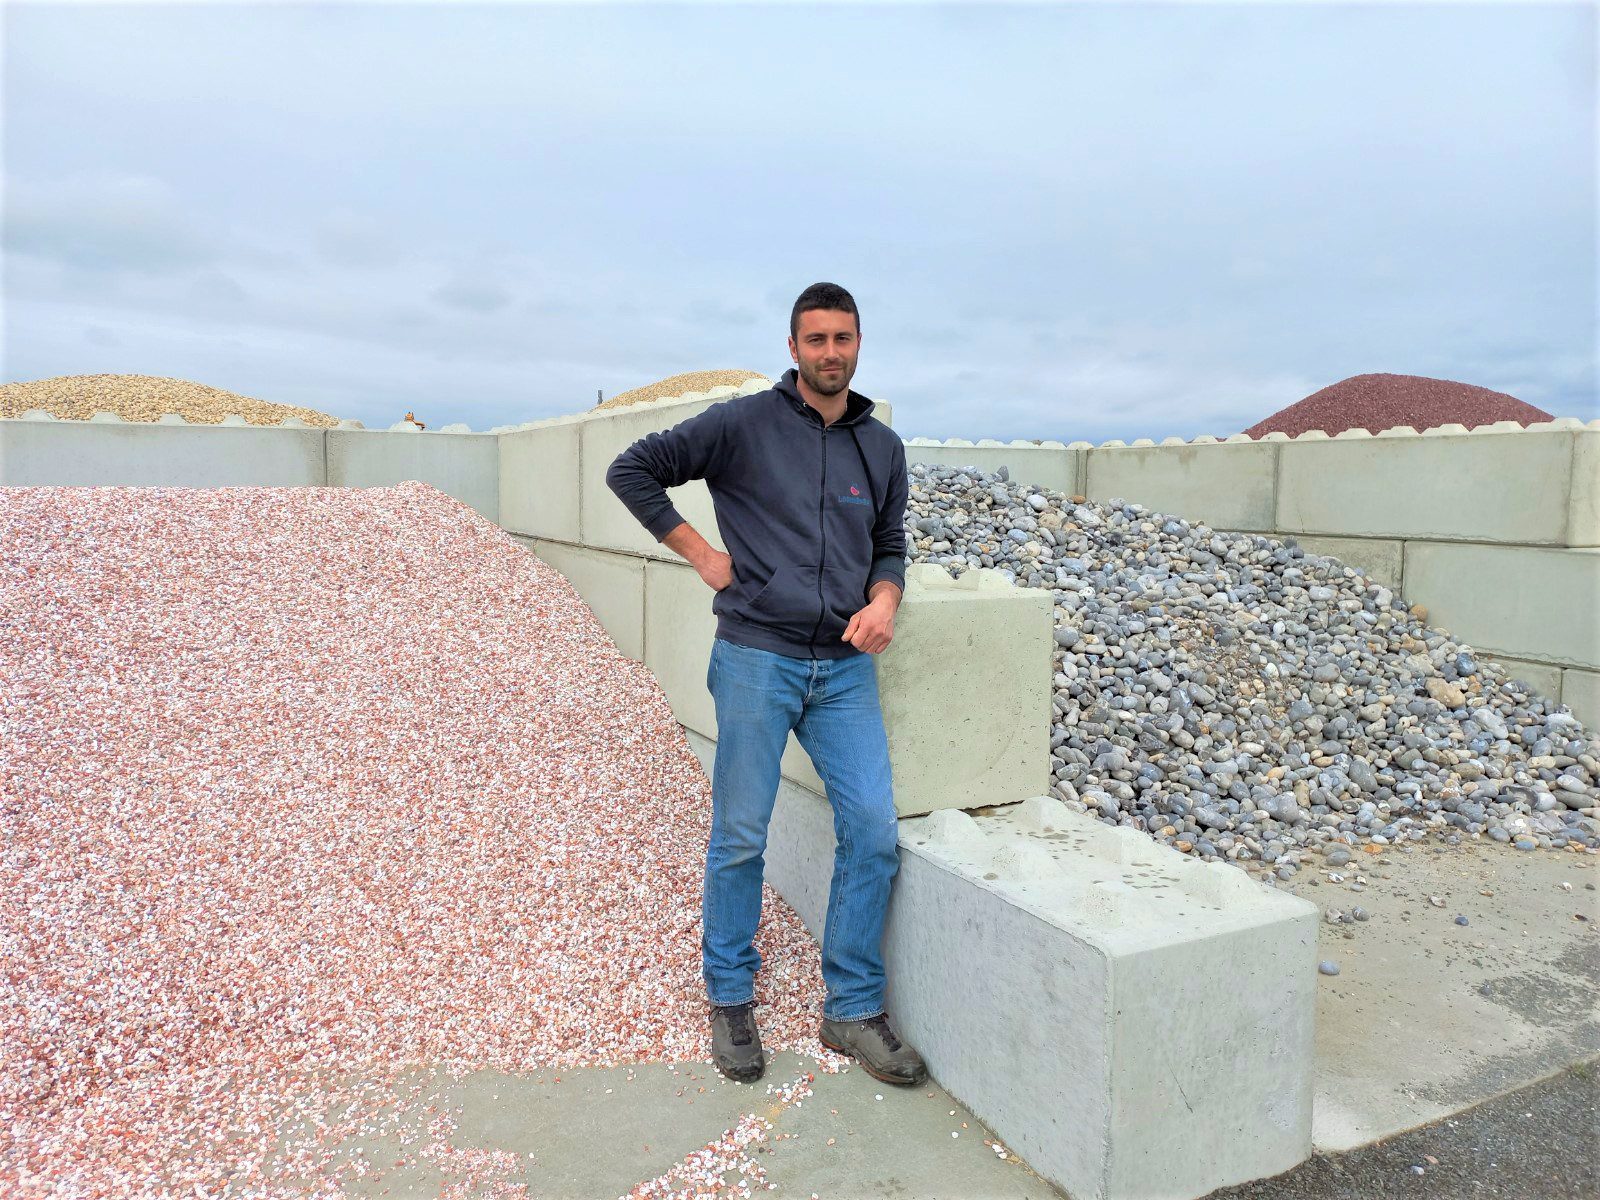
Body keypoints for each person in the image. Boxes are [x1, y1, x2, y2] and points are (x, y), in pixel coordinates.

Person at [605, 282, 927, 1087]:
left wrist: (886, 596)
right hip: (757, 658)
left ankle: (851, 1008)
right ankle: (729, 995)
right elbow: (633, 469)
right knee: (742, 834)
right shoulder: (741, 424)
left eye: (842, 339)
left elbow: (889, 540)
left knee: (874, 831)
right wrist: (703, 556)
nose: (829, 353)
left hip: (846, 670)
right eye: (814, 339)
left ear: (859, 345)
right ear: (793, 348)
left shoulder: (879, 447)